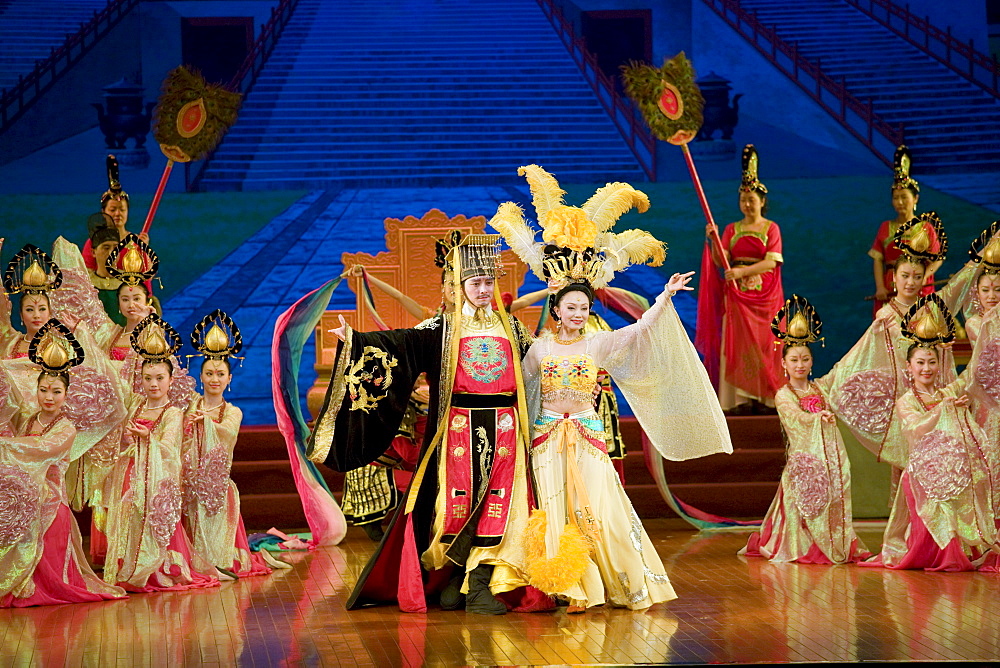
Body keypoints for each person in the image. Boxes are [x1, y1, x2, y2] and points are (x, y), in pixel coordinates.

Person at [492, 165, 732, 611]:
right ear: (557, 310)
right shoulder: (540, 349)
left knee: (600, 509)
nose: (580, 313)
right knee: (554, 509)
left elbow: (640, 332)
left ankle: (612, 582)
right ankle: (566, 584)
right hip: (546, 440)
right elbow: (519, 388)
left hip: (586, 437)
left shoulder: (600, 343)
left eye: (585, 306)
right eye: (572, 307)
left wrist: (665, 297)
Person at [310, 234, 551, 615]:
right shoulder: (442, 327)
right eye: (476, 283)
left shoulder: (513, 329)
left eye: (489, 282)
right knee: (455, 506)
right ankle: (455, 576)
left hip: (506, 427)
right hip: (457, 428)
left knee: (502, 506)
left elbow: (539, 369)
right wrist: (355, 341)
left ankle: (483, 582)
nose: (484, 290)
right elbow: (399, 344)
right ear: (459, 287)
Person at [865, 295, 996, 570]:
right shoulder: (906, 401)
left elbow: (969, 378)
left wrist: (958, 406)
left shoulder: (945, 393)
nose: (927, 369)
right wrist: (944, 409)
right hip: (920, 475)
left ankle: (958, 554)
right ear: (910, 367)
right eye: (921, 363)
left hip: (949, 472)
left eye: (932, 363)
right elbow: (915, 429)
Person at [0, 321, 126, 607]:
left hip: (52, 502)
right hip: (26, 499)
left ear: (66, 395)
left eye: (56, 391)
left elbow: (39, 448)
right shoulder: (28, 419)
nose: (49, 397)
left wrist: (5, 445)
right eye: (44, 390)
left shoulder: (66, 428)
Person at [741, 295, 869, 564]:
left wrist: (872, 335)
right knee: (803, 503)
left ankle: (834, 542)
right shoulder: (783, 395)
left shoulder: (821, 387)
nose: (800, 365)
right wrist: (816, 418)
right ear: (784, 364)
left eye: (805, 359)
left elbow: (845, 367)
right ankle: (801, 545)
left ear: (811, 362)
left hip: (830, 460)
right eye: (794, 360)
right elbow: (796, 418)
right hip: (805, 462)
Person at [824, 214, 952, 470]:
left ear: (925, 277)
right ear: (894, 277)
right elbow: (861, 355)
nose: (910, 282)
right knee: (905, 464)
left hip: (930, 400)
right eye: (905, 275)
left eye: (917, 276)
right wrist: (828, 383)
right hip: (902, 402)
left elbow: (945, 362)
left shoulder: (932, 313)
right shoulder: (886, 316)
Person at [101, 313, 219, 592]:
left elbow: (169, 448)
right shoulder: (136, 407)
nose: (153, 384)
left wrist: (148, 439)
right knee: (131, 516)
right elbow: (123, 439)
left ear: (170, 380)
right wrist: (131, 440)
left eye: (159, 378)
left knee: (156, 517)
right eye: (147, 378)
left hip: (158, 478)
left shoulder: (173, 412)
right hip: (131, 472)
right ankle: (129, 568)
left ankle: (157, 568)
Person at [183, 309, 286, 576]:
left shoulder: (233, 412)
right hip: (189, 483)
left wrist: (202, 422)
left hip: (216, 486)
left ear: (229, 379)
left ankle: (218, 563)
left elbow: (225, 433)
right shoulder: (188, 405)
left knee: (223, 558)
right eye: (209, 373)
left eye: (220, 374)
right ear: (201, 376)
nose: (214, 379)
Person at [696, 145, 784, 413]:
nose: (747, 204)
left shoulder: (771, 228)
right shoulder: (733, 229)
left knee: (765, 342)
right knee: (737, 343)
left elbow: (772, 261)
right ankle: (739, 399)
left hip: (764, 294)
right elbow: (720, 260)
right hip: (736, 294)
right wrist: (713, 239)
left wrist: (743, 272)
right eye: (743, 200)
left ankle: (767, 396)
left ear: (762, 202)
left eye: (752, 200)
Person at [868, 146, 941, 315]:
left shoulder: (925, 227)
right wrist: (880, 287)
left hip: (919, 284)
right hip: (891, 286)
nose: (900, 202)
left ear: (915, 198)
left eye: (904, 197)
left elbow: (937, 258)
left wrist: (923, 279)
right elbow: (878, 260)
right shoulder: (885, 227)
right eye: (896, 198)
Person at [81, 155, 151, 272]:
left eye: (122, 210)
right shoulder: (94, 242)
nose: (118, 214)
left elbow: (147, 275)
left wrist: (144, 249)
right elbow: (87, 273)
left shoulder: (137, 241)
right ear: (104, 213)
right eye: (112, 210)